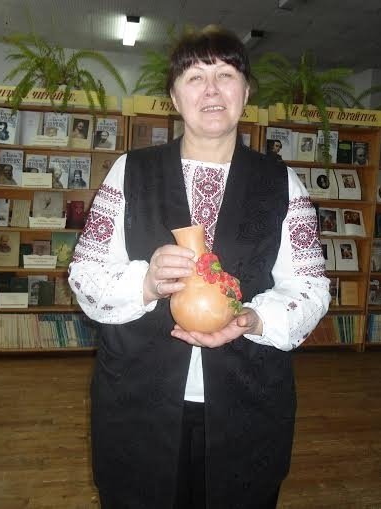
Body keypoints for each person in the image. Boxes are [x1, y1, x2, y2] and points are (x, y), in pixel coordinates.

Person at [68, 26, 330, 509]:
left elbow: (310, 285)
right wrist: (146, 282)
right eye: (194, 77)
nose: (211, 90)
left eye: (225, 75)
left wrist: (252, 318)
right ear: (174, 97)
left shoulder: (281, 182)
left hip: (248, 402)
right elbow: (86, 274)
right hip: (138, 402)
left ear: (246, 93)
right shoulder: (130, 170)